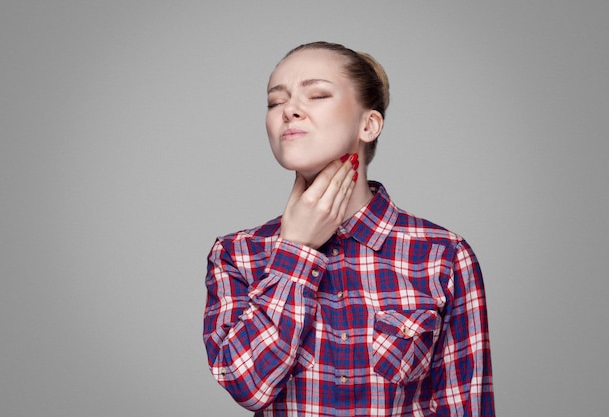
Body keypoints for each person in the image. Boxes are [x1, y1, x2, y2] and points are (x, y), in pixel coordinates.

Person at [203, 41, 495, 416]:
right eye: (276, 102)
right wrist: (296, 250)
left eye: (317, 94)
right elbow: (248, 387)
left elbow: (465, 406)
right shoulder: (238, 254)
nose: (289, 110)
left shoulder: (443, 255)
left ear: (368, 124)